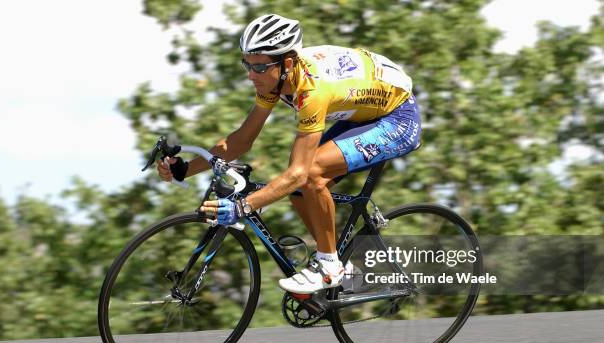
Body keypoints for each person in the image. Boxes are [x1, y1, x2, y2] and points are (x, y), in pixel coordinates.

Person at [157, 14, 421, 295]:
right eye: (247, 64)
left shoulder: (312, 90)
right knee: (299, 189)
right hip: (363, 110)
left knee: (309, 173)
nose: (250, 74)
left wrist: (242, 207)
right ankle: (341, 266)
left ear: (287, 63)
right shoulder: (275, 79)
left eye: (258, 67)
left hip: (397, 119)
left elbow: (298, 173)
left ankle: (329, 266)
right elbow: (242, 140)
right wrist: (185, 168)